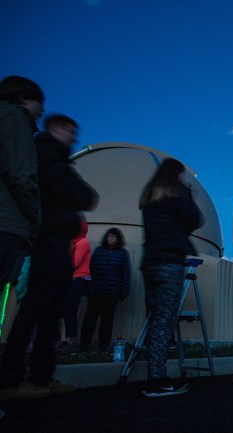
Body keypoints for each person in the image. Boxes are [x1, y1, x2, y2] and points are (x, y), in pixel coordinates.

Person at [0, 114, 97, 400]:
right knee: (36, 308)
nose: (73, 137)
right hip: (48, 238)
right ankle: (11, 379)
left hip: (58, 239)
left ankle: (41, 376)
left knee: (52, 311)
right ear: (56, 128)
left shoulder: (55, 159)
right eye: (69, 131)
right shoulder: (46, 156)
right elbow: (83, 195)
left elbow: (85, 196)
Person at [139, 158, 202, 397]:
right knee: (164, 322)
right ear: (176, 176)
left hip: (151, 263)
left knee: (157, 321)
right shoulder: (176, 198)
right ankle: (156, 381)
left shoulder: (151, 200)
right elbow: (195, 220)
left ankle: (155, 376)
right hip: (169, 263)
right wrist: (188, 193)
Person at [0, 76, 44, 401]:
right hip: (7, 224)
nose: (41, 112)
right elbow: (21, 174)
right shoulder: (14, 118)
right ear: (24, 98)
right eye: (38, 103)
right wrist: (35, 220)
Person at [79, 227, 131, 351]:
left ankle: (103, 345)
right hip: (95, 291)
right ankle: (84, 344)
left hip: (112, 293)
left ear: (118, 239)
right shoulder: (99, 251)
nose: (111, 238)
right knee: (90, 318)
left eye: (114, 236)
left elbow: (126, 274)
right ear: (106, 237)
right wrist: (87, 287)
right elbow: (90, 269)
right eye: (110, 236)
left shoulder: (123, 253)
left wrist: (123, 292)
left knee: (107, 320)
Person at [59, 220, 92, 354]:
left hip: (78, 279)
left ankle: (71, 340)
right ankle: (66, 339)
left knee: (70, 310)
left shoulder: (82, 243)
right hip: (72, 279)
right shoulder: (73, 243)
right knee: (66, 310)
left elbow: (74, 263)